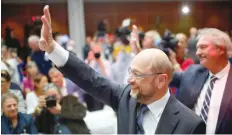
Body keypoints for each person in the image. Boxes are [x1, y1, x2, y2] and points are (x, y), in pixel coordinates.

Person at [38, 5, 205, 134]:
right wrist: (53, 48)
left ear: (161, 80)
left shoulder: (189, 124)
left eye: (138, 75)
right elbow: (91, 79)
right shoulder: (126, 97)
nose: (130, 79)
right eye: (131, 72)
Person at [170, 28, 232, 134]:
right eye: (197, 48)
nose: (198, 53)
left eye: (203, 47)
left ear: (221, 49)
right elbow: (163, 76)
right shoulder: (192, 72)